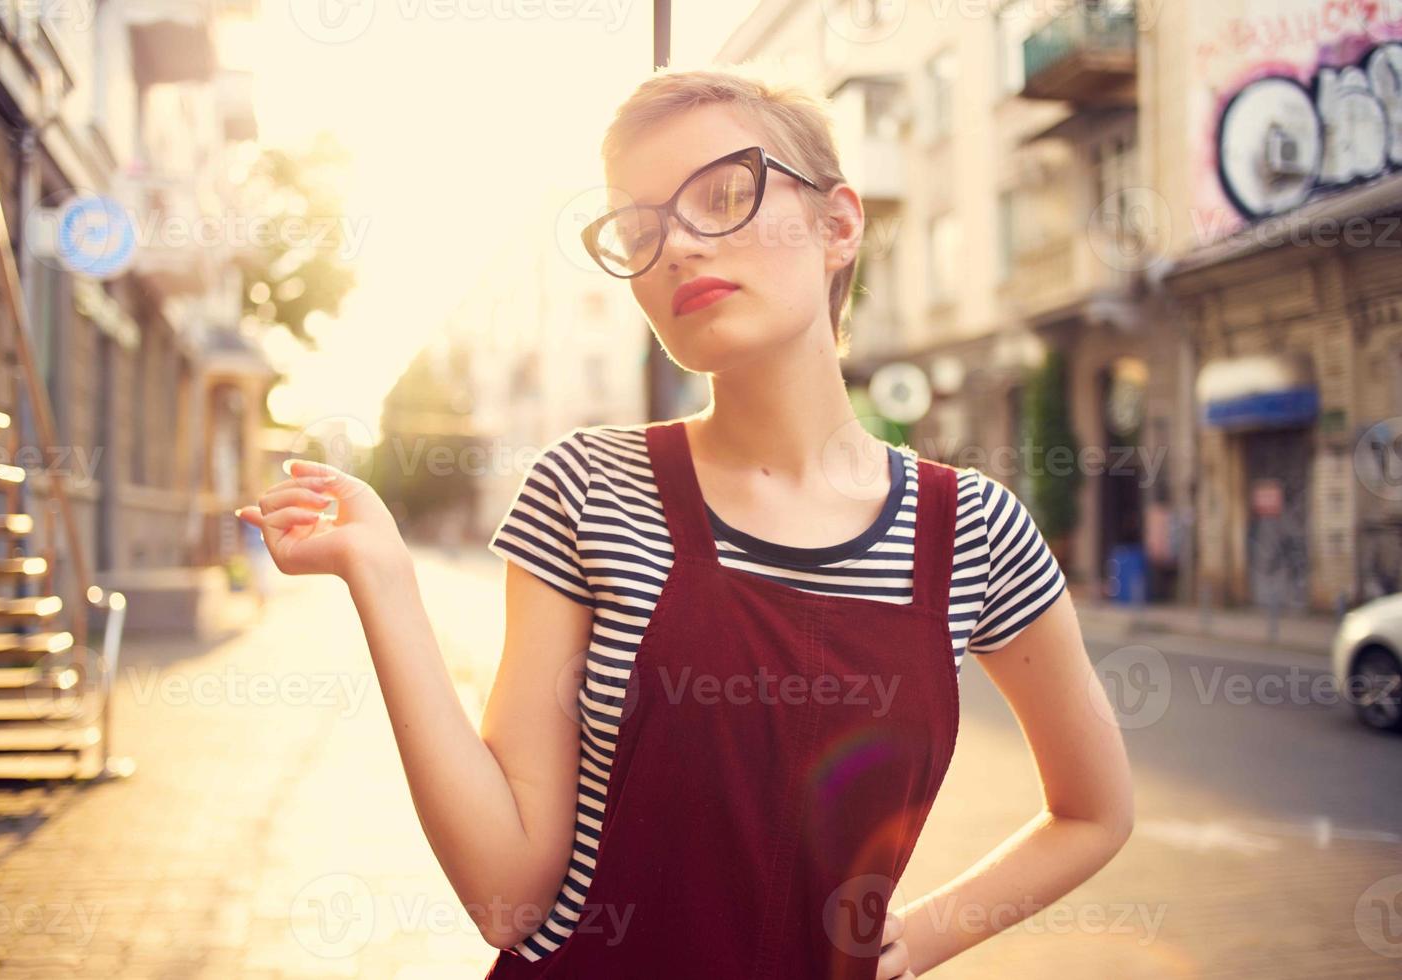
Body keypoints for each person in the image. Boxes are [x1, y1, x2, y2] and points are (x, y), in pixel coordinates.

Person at [235, 66, 1133, 980]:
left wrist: (920, 938)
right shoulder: (587, 489)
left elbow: (1095, 810)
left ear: (839, 224)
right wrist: (383, 579)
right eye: (639, 227)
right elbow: (506, 892)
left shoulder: (974, 532)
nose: (677, 247)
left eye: (726, 195)